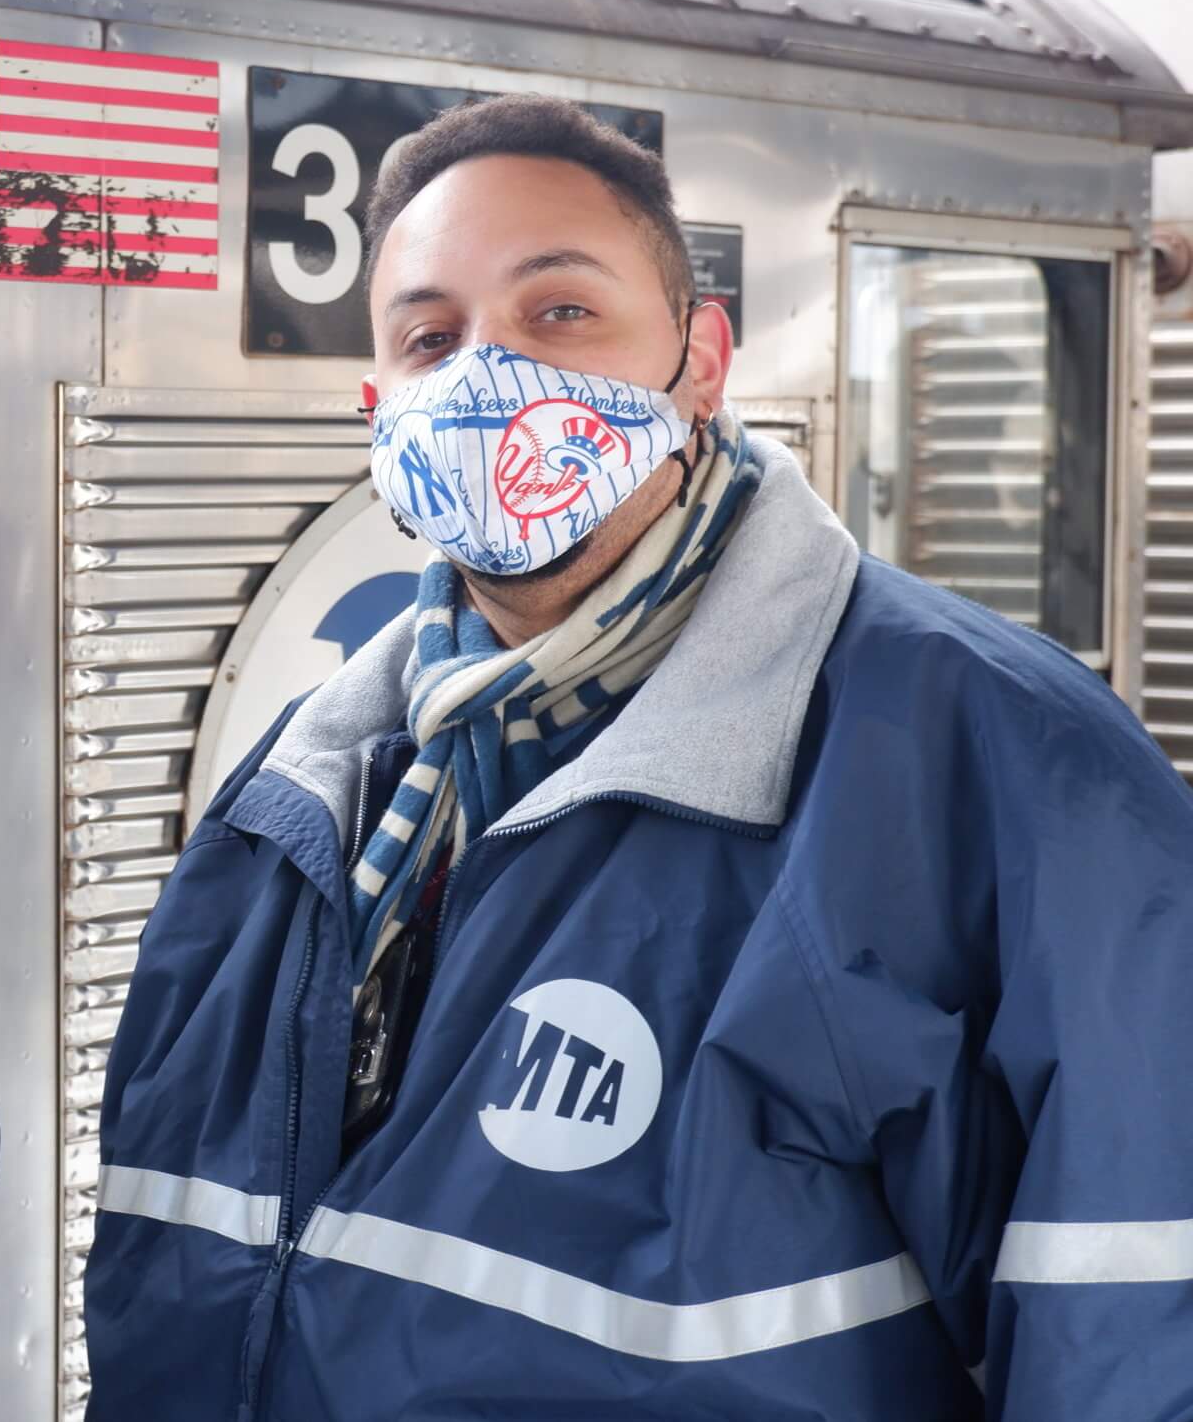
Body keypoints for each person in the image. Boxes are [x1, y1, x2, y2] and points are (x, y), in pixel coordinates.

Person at [86, 95, 1193, 1418]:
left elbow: (1135, 1333)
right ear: (379, 412)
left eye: (559, 310)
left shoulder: (1007, 764)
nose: (489, 375)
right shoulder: (298, 798)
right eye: (431, 337)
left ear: (701, 358)